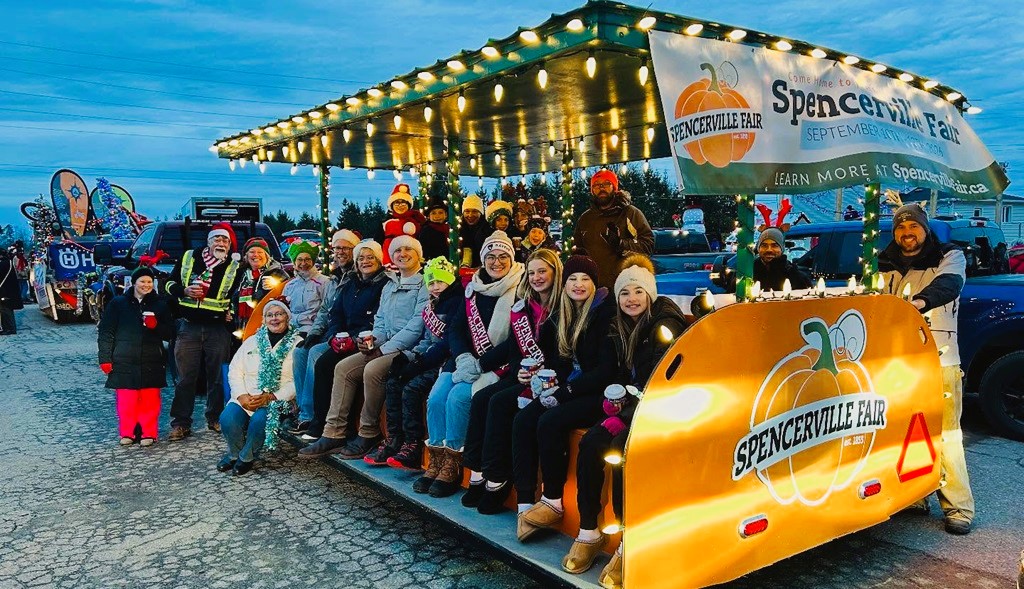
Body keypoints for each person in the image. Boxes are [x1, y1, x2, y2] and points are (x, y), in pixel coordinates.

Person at [565, 256, 686, 579]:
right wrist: (614, 402)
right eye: (624, 293)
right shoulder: (620, 326)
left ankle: (628, 540)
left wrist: (626, 416)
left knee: (621, 449)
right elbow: (624, 376)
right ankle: (590, 530)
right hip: (636, 406)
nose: (631, 299)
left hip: (666, 406)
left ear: (650, 295)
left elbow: (660, 381)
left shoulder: (664, 325)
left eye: (638, 292)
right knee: (592, 442)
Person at [880, 203, 974, 535]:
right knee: (906, 432)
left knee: (946, 434)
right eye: (901, 229)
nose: (907, 234)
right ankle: (915, 495)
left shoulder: (950, 256)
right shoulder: (885, 263)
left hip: (940, 358)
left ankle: (959, 506)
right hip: (900, 362)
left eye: (914, 228)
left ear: (925, 229)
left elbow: (948, 285)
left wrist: (917, 304)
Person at [513, 254, 616, 542]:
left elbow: (605, 371)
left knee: (550, 421)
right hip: (571, 387)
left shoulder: (605, 313)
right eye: (572, 278)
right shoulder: (563, 313)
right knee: (523, 419)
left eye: (585, 279)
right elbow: (556, 361)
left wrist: (564, 391)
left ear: (595, 284)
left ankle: (553, 500)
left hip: (599, 394)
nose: (578, 284)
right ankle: (524, 504)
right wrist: (540, 377)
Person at [416, 231, 525, 497]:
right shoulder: (472, 289)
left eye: (502, 256)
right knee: (436, 398)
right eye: (490, 256)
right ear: (482, 259)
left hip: (495, 366)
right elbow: (456, 328)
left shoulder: (521, 289)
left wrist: (481, 362)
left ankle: (453, 463)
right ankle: (438, 459)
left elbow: (516, 339)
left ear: (511, 259)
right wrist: (463, 356)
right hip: (463, 360)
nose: (496, 262)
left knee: (458, 400)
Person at [298, 235, 427, 460]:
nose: (402, 254)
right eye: (397, 250)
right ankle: (333, 432)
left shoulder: (424, 284)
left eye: (409, 250)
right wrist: (370, 341)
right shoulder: (391, 285)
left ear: (418, 255)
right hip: (385, 345)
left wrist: (382, 350)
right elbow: (381, 321)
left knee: (373, 369)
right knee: (343, 367)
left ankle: (369, 431)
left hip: (410, 349)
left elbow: (416, 327)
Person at [461, 248, 563, 514]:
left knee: (498, 402)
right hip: (526, 375)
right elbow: (515, 348)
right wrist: (517, 370)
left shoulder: (563, 306)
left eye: (543, 271)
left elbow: (563, 354)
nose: (537, 277)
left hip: (550, 380)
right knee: (482, 398)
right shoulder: (525, 306)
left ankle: (498, 477)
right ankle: (477, 469)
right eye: (531, 273)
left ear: (555, 272)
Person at [370, 256, 461, 469]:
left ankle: (413, 444)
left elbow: (446, 343)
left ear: (450, 280)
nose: (436, 287)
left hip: (445, 361)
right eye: (431, 283)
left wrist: (418, 363)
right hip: (429, 356)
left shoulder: (456, 303)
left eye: (440, 281)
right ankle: (396, 439)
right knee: (394, 381)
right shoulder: (432, 303)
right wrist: (410, 356)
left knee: (412, 388)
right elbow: (428, 341)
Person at [302, 240, 388, 440]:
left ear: (378, 260)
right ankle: (319, 420)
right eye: (361, 258)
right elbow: (335, 314)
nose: (365, 262)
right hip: (344, 339)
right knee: (323, 362)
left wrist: (353, 338)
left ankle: (340, 426)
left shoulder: (383, 285)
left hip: (367, 340)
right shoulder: (350, 284)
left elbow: (376, 318)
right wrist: (333, 336)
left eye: (370, 257)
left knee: (332, 364)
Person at [163, 223, 242, 440]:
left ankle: (215, 418)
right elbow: (168, 284)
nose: (221, 243)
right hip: (188, 326)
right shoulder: (189, 257)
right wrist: (184, 290)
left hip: (218, 328)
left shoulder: (236, 266)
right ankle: (180, 423)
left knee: (217, 378)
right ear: (208, 242)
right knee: (185, 378)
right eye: (216, 239)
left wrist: (231, 313)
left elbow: (239, 295)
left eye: (225, 240)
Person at [217, 300, 300, 476]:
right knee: (227, 419)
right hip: (247, 396)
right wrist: (241, 396)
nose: (274, 319)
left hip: (278, 399)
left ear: (288, 317)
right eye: (269, 315)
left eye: (279, 314)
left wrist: (271, 397)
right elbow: (235, 370)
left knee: (260, 421)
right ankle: (234, 454)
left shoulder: (298, 343)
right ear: (263, 320)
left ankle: (246, 457)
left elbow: (297, 381)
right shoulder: (252, 341)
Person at [288, 229, 359, 433]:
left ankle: (310, 416)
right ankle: (302, 411)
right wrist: (313, 333)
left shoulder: (353, 278)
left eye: (346, 248)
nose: (340, 252)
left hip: (348, 334)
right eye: (337, 248)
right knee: (300, 352)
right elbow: (326, 309)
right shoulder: (336, 278)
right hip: (332, 331)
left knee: (314, 353)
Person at [96, 266, 175, 446]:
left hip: (151, 359)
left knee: (150, 401)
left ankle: (149, 433)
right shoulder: (118, 303)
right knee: (126, 401)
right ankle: (127, 433)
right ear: (134, 283)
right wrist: (105, 358)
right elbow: (106, 332)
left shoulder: (160, 305)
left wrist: (156, 326)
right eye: (142, 281)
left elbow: (170, 333)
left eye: (149, 281)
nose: (146, 285)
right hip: (123, 359)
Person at [575, 169, 654, 289]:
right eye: (596, 185)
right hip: (593, 289)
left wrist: (621, 243)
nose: (601, 188)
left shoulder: (630, 213)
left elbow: (648, 244)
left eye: (606, 184)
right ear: (592, 190)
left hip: (624, 287)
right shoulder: (585, 219)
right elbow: (579, 252)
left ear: (615, 187)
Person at [235, 236, 286, 331]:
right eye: (252, 252)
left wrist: (276, 285)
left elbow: (287, 293)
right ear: (246, 256)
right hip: (242, 326)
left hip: (266, 327)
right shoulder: (240, 274)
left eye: (260, 252)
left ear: (266, 255)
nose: (256, 255)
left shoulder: (277, 272)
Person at [282, 240, 327, 336]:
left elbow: (327, 310)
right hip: (291, 328)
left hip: (312, 329)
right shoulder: (290, 286)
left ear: (313, 261)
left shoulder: (324, 282)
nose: (303, 263)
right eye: (299, 259)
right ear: (294, 262)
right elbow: (283, 310)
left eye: (307, 259)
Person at [377, 184, 426, 265]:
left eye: (403, 202)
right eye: (397, 203)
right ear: (392, 205)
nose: (400, 206)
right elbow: (378, 242)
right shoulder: (385, 222)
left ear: (408, 205)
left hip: (410, 258)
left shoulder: (416, 221)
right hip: (389, 258)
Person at [459, 195, 489, 268]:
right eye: (467, 211)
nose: (470, 215)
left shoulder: (486, 229)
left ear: (481, 213)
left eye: (474, 211)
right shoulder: (458, 228)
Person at [0, 248, 22, 335]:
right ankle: (8, 328)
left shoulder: (3, 264)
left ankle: (9, 329)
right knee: (6, 310)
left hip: (5, 291)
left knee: (5, 310)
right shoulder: (7, 262)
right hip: (8, 290)